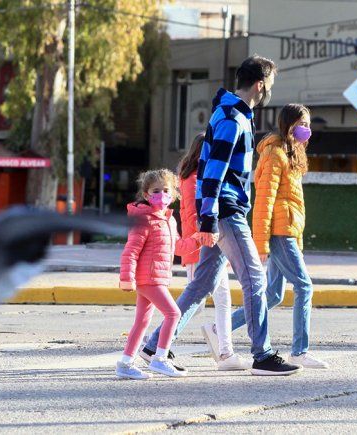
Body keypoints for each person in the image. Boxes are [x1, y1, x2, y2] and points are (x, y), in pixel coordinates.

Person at [140, 55, 301, 376]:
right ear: (260, 85)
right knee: (255, 279)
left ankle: (153, 344)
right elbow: (212, 172)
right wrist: (210, 219)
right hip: (226, 211)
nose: (269, 90)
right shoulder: (231, 118)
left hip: (221, 210)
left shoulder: (233, 114)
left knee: (202, 284)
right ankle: (263, 355)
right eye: (269, 84)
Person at [205, 104, 329, 369]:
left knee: (273, 295)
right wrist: (261, 242)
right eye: (301, 123)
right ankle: (300, 351)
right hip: (279, 232)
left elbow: (294, 205)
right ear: (288, 124)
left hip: (289, 231)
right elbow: (264, 200)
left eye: (308, 124)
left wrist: (298, 240)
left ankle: (220, 330)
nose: (306, 129)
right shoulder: (274, 153)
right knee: (304, 286)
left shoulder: (291, 154)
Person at [115, 169, 200, 379]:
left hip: (156, 278)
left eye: (165, 190)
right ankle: (160, 359)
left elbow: (178, 247)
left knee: (142, 322)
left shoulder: (169, 220)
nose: (161, 194)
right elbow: (131, 250)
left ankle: (125, 363)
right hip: (149, 278)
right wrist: (127, 277)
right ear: (146, 194)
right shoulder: (144, 219)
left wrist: (199, 240)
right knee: (174, 314)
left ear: (173, 194)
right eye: (155, 190)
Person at [176, 133, 248, 371]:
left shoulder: (196, 178)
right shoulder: (195, 180)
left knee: (215, 300)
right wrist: (206, 235)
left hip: (207, 246)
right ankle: (156, 343)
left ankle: (225, 351)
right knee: (198, 303)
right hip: (201, 246)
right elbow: (191, 217)